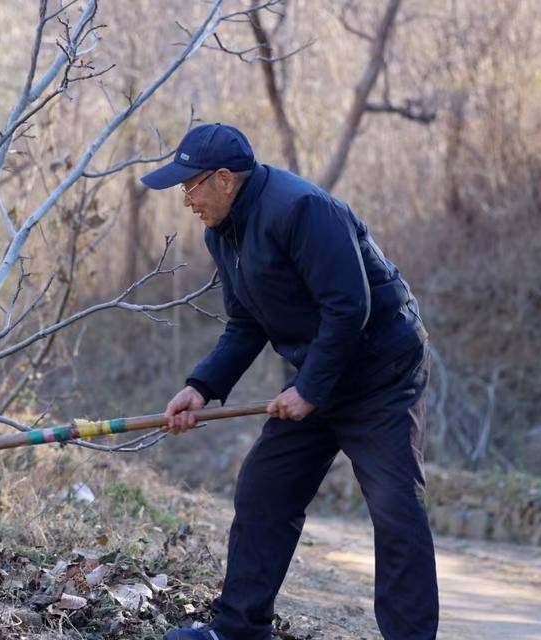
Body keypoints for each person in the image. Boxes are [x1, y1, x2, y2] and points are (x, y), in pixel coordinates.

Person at [141, 123, 438, 640]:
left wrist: (310, 390)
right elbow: (246, 324)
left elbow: (350, 307)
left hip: (382, 370)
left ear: (225, 179)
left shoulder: (301, 209)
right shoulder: (222, 233)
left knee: (394, 508)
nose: (185, 199)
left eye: (190, 186)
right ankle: (238, 629)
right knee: (264, 489)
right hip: (323, 372)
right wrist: (202, 386)